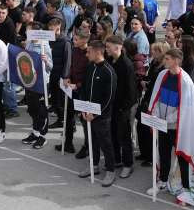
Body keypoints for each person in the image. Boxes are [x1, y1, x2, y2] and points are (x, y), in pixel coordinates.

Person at [77, 40, 118, 187]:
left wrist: (95, 114)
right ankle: (93, 166)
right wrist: (83, 108)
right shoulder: (90, 67)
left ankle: (110, 170)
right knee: (91, 141)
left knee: (105, 143)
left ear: (98, 52)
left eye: (89, 51)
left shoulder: (109, 71)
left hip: (102, 117)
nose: (87, 54)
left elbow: (109, 98)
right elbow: (84, 89)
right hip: (87, 113)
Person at [56, 28, 91, 156]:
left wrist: (78, 85)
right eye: (74, 39)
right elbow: (71, 65)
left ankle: (87, 146)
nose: (74, 41)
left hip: (82, 91)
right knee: (68, 115)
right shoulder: (74, 50)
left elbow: (88, 75)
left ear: (85, 40)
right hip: (71, 88)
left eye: (76, 39)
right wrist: (68, 77)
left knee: (84, 119)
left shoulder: (89, 54)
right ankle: (68, 143)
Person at [105, 35, 136, 177]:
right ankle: (116, 159)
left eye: (108, 47)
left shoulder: (126, 64)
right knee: (112, 134)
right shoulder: (110, 61)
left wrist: (124, 108)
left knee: (124, 136)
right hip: (111, 106)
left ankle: (128, 164)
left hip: (122, 108)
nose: (106, 49)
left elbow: (131, 91)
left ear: (117, 47)